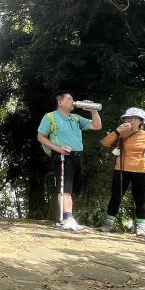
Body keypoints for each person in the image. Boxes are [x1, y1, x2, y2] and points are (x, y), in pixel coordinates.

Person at [36, 92, 101, 231]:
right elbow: (41, 137)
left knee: (70, 189)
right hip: (62, 155)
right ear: (60, 102)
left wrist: (93, 111)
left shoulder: (76, 118)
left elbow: (97, 126)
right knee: (64, 187)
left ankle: (69, 218)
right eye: (70, 99)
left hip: (77, 156)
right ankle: (67, 218)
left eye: (73, 99)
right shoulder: (50, 117)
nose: (73, 101)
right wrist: (58, 148)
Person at [100, 107, 145, 237]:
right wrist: (118, 130)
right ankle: (108, 224)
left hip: (142, 170)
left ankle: (141, 228)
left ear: (140, 121)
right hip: (121, 169)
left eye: (132, 118)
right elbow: (105, 143)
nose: (129, 120)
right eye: (127, 118)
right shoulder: (121, 133)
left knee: (140, 199)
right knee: (116, 196)